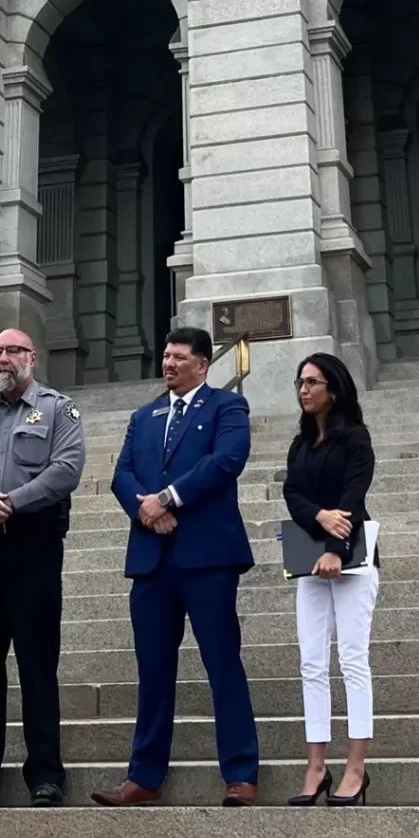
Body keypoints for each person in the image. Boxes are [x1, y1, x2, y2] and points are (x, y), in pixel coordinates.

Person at [91, 327, 260, 808]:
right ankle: (144, 776)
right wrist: (144, 508)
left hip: (207, 557)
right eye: (165, 356)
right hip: (151, 559)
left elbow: (227, 460)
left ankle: (241, 773)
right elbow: (122, 473)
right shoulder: (144, 416)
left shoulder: (227, 407)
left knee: (222, 663)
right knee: (154, 670)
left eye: (179, 358)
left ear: (203, 365)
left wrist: (168, 499)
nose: (168, 364)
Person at [0, 328, 85, 809]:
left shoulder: (58, 408)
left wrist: (11, 501)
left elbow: (66, 469)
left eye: (14, 351)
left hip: (34, 547)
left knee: (36, 664)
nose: (4, 359)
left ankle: (45, 773)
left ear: (32, 356)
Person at [280, 352, 379, 807]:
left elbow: (354, 498)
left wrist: (336, 551)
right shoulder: (300, 445)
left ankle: (356, 766)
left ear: (332, 389)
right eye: (300, 381)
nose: (303, 389)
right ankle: (316, 765)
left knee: (352, 661)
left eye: (312, 382)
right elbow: (292, 493)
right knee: (312, 663)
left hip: (353, 560)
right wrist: (319, 516)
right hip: (307, 560)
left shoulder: (356, 439)